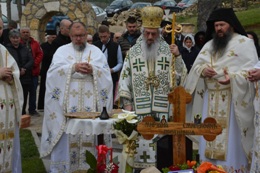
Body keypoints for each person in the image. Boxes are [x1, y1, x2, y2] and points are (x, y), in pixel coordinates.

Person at [184, 8, 258, 172]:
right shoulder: (209, 45)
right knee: (209, 139)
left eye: (222, 25)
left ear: (231, 25)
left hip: (233, 102)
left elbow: (252, 72)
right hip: (209, 102)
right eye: (216, 25)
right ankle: (207, 168)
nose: (218, 28)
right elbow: (196, 67)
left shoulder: (245, 43)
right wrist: (202, 71)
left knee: (232, 142)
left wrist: (232, 78)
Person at [116, 6, 187, 170]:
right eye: (146, 33)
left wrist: (178, 56)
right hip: (139, 112)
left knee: (163, 157)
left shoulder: (169, 51)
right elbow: (125, 79)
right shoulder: (133, 53)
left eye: (153, 34)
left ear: (160, 32)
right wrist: (127, 107)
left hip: (164, 111)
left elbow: (180, 78)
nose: (149, 37)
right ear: (142, 32)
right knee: (141, 155)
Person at [40, 22, 113, 172]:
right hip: (68, 108)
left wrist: (93, 70)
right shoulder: (61, 51)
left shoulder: (96, 52)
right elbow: (52, 75)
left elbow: (106, 75)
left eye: (81, 36)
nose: (78, 39)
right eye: (75, 36)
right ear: (70, 36)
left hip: (91, 107)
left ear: (87, 35)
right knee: (67, 142)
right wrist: (72, 68)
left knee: (90, 139)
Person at [0, 18, 24, 173]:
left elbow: (14, 70)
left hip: (5, 109)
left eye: (0, 27)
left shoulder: (2, 49)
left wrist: (11, 76)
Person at [6, 29, 34, 115]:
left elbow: (31, 60)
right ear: (10, 38)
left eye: (17, 37)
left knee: (24, 96)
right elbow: (8, 61)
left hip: (25, 77)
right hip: (13, 77)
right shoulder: (6, 49)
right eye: (13, 38)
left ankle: (22, 113)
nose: (15, 40)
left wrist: (24, 68)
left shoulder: (24, 48)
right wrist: (17, 70)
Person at [93, 25, 123, 106]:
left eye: (105, 36)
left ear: (109, 34)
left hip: (111, 76)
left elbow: (120, 63)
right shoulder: (95, 46)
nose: (103, 39)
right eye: (101, 37)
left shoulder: (116, 46)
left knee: (110, 97)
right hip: (98, 76)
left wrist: (112, 70)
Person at [20, 27, 43, 116]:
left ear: (29, 33)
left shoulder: (35, 43)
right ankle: (22, 111)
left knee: (33, 92)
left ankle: (32, 110)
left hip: (33, 72)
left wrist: (34, 63)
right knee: (23, 93)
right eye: (23, 32)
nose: (25, 34)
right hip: (24, 73)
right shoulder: (19, 43)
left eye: (27, 32)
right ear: (21, 33)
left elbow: (40, 54)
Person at [37, 30, 57, 110]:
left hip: (54, 69)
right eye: (52, 37)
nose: (54, 39)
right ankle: (41, 106)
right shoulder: (44, 46)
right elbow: (45, 56)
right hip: (46, 69)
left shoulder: (56, 46)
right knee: (43, 88)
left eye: (55, 37)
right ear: (48, 38)